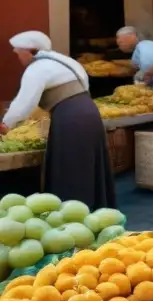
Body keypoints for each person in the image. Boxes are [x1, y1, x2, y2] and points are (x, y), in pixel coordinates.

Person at [2, 32, 115, 209]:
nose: (18, 58)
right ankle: (95, 207)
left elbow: (25, 102)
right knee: (87, 164)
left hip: (70, 117)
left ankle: (74, 210)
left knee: (71, 166)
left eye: (18, 53)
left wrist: (6, 124)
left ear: (30, 51)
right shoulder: (66, 61)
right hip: (89, 112)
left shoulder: (38, 68)